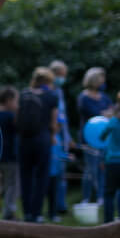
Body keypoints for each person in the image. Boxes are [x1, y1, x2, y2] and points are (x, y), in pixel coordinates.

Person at [16, 67, 59, 223]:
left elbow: (17, 118)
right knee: (41, 177)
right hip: (43, 140)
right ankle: (37, 213)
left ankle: (27, 212)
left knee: (25, 176)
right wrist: (53, 136)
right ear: (49, 81)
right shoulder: (52, 96)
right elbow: (54, 123)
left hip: (24, 140)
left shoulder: (24, 94)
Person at [77, 67, 114, 204]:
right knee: (89, 169)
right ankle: (86, 198)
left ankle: (101, 197)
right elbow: (93, 114)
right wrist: (105, 113)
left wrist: (105, 113)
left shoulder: (105, 97)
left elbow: (112, 111)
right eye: (101, 78)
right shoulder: (83, 97)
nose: (103, 81)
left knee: (102, 168)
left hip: (104, 139)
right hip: (88, 140)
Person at [48, 60, 73, 216]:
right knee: (54, 172)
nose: (63, 78)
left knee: (62, 173)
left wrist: (68, 137)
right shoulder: (50, 92)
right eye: (62, 75)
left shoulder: (60, 92)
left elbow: (64, 117)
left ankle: (61, 205)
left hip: (61, 136)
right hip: (53, 137)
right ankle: (55, 206)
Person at [99, 90, 120, 223]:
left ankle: (108, 222)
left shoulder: (113, 121)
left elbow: (102, 136)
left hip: (112, 162)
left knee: (109, 193)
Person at [0, 86, 20, 220]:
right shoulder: (11, 116)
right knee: (12, 184)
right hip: (10, 156)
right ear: (9, 100)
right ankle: (9, 211)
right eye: (16, 101)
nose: (17, 104)